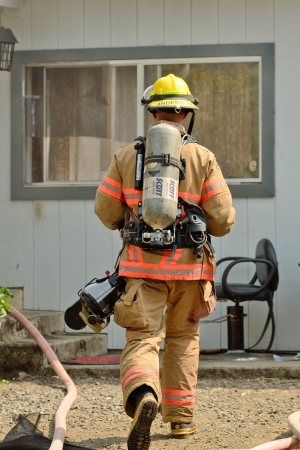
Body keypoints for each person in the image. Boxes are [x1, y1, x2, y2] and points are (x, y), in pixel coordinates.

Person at [94, 74, 235, 450]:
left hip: (142, 271)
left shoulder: (126, 156)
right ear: (187, 114)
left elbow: (105, 211)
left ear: (153, 111)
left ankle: (143, 395)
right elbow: (221, 221)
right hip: (191, 273)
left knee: (142, 337)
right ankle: (181, 423)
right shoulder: (202, 157)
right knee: (184, 341)